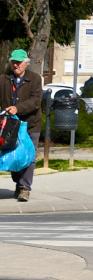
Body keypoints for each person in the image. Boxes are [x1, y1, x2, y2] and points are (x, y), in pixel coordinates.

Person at [0, 50, 41, 202]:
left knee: (29, 156)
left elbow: (36, 101)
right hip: (10, 126)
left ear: (26, 63)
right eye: (13, 62)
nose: (15, 65)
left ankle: (25, 188)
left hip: (30, 124)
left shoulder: (35, 79)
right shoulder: (4, 79)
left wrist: (18, 108)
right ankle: (18, 182)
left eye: (18, 62)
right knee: (13, 156)